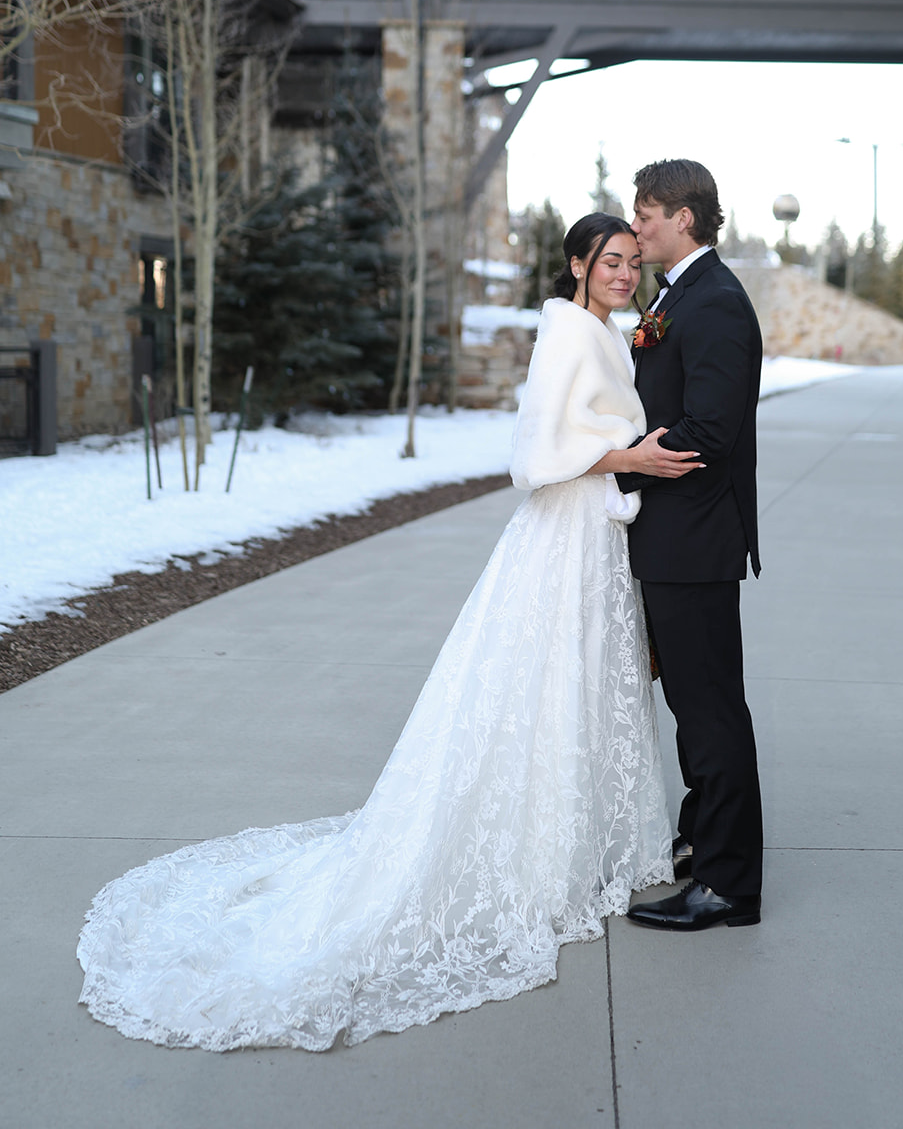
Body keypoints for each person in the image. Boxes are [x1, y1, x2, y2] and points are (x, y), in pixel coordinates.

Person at [76, 212, 701, 1052]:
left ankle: (579, 841)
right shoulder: (566, 333)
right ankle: (534, 855)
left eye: (632, 261)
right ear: (576, 265)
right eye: (610, 262)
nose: (625, 273)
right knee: (546, 680)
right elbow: (531, 455)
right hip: (564, 534)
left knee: (582, 683)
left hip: (596, 534)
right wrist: (627, 459)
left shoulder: (604, 330)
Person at [616, 159, 764, 931]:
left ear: (685, 217)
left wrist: (625, 460)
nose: (636, 227)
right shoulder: (681, 295)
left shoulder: (714, 303)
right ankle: (700, 838)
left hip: (694, 539)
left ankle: (729, 884)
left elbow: (708, 427)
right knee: (693, 706)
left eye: (645, 213)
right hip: (675, 537)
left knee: (708, 713)